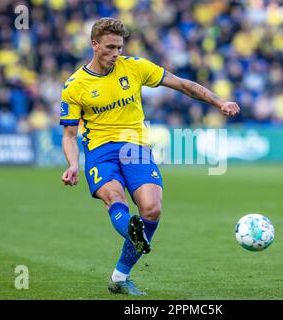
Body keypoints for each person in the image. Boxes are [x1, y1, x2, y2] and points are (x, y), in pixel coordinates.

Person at [60, 17, 240, 296]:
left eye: (119, 47)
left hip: (136, 148)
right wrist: (73, 164)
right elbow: (70, 135)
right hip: (100, 152)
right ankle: (131, 235)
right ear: (94, 45)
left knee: (152, 210)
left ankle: (120, 276)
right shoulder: (75, 86)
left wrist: (219, 102)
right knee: (115, 198)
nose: (116, 53)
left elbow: (181, 84)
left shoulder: (135, 67)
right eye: (110, 47)